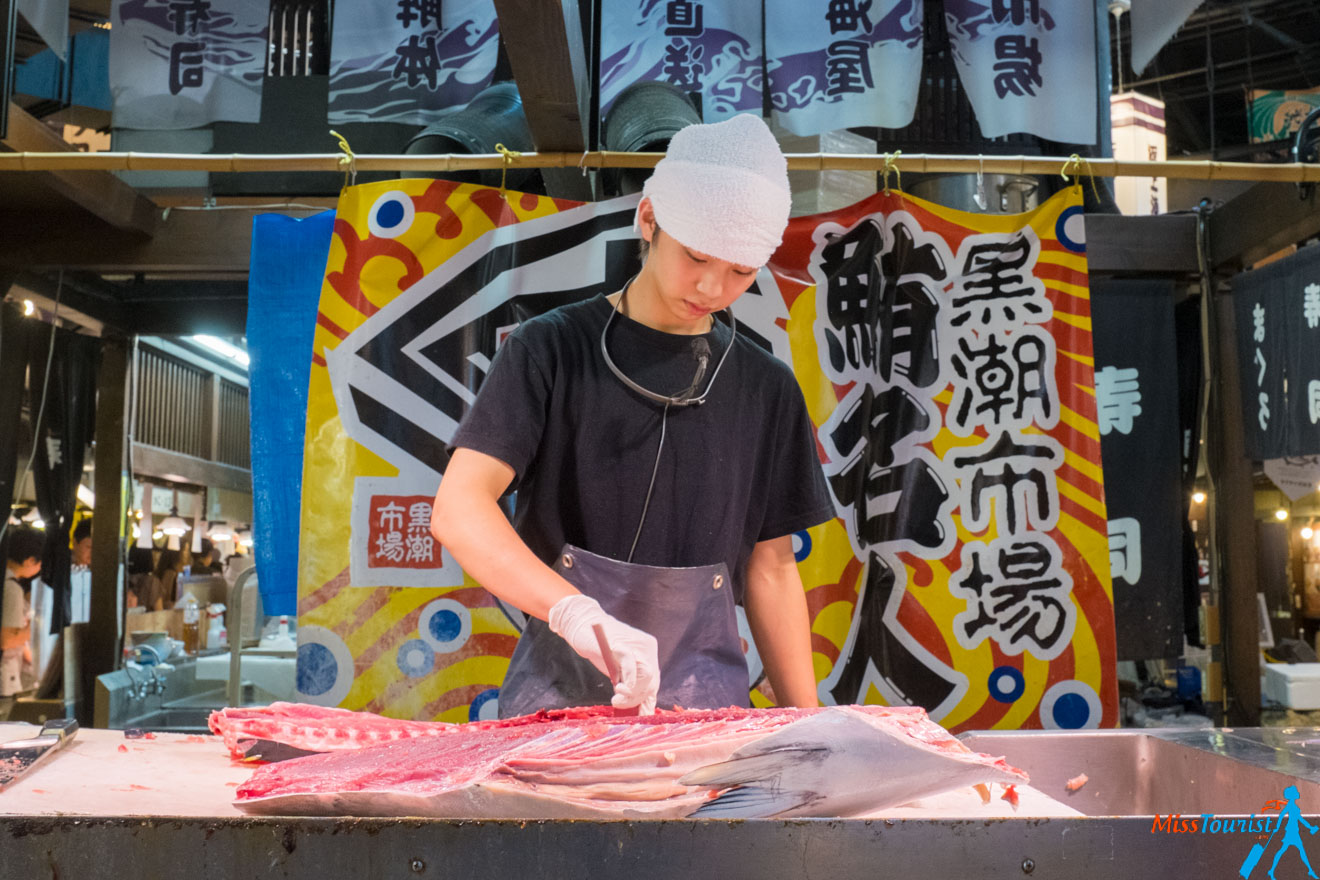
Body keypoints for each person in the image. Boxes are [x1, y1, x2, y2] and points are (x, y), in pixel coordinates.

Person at [432, 114, 833, 718]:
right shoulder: (550, 349)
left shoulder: (765, 387)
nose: (711, 286)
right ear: (648, 219)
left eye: (740, 272)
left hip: (708, 714)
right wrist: (577, 613)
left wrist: (810, 725)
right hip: (557, 707)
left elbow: (772, 567)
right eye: (696, 256)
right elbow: (459, 509)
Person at [2, 527, 44, 708]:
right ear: (30, 561)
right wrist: (36, 626)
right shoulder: (11, 588)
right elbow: (7, 640)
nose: (41, 568)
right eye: (40, 563)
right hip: (4, 679)